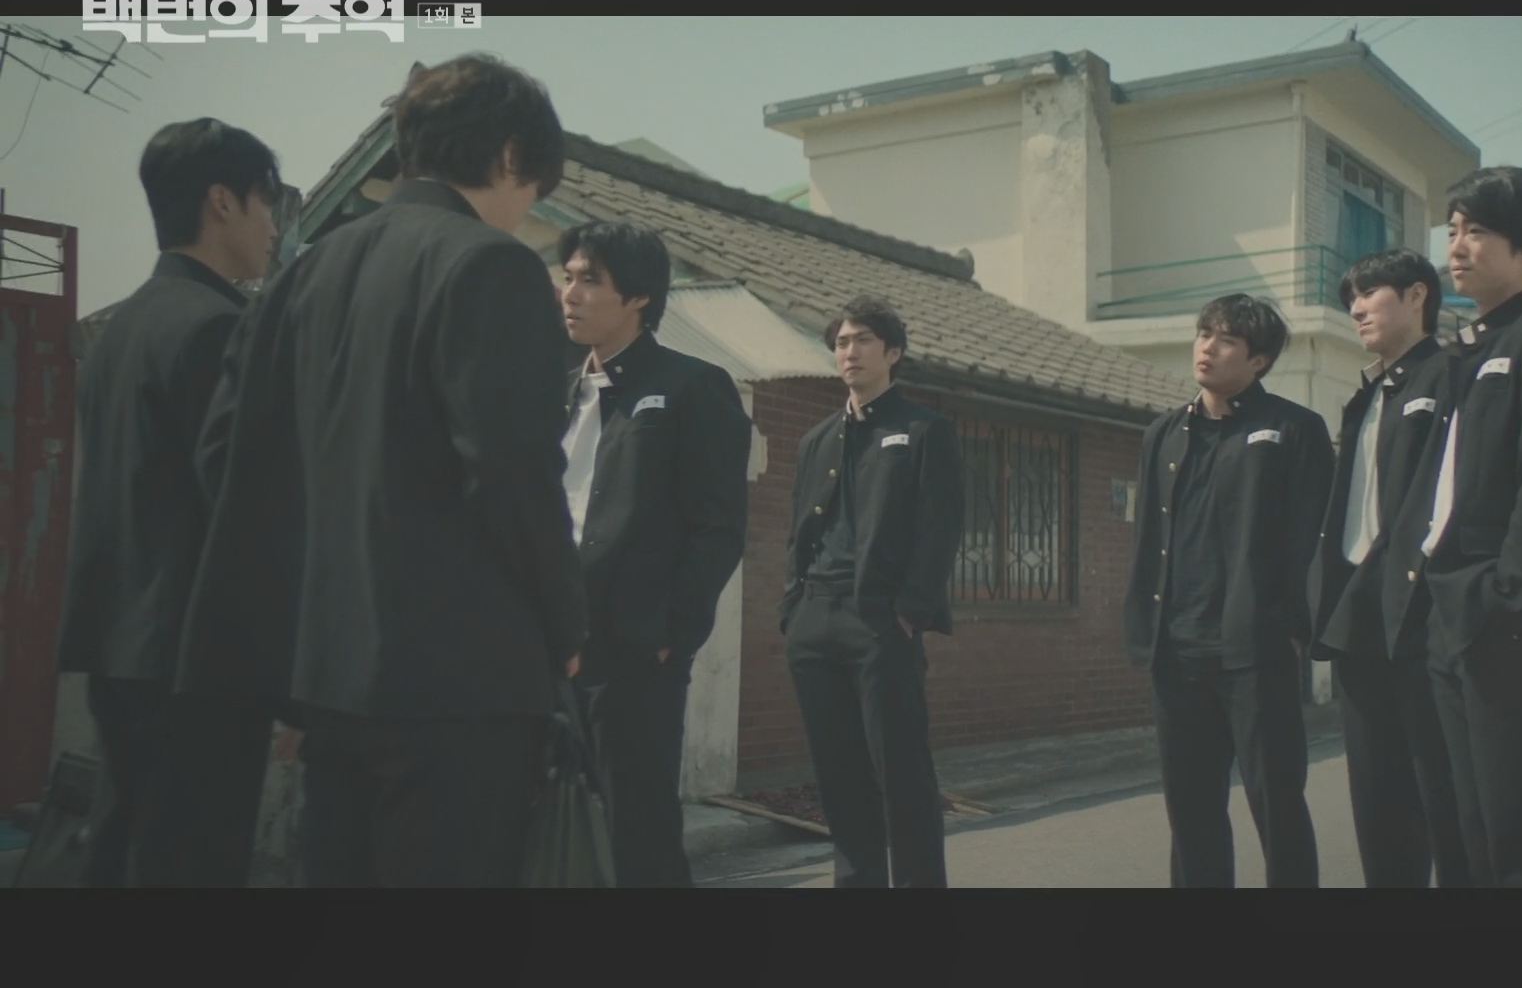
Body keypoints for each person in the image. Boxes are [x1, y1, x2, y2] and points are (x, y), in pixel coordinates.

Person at [177, 54, 588, 886]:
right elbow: (512, 474)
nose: (525, 210)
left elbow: (224, 456)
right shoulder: (490, 264)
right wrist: (567, 626)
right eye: (533, 189)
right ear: (511, 155)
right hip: (460, 685)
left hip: (326, 678)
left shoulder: (299, 277)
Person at [57, 118, 282, 886]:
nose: (273, 226)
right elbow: (241, 508)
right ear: (223, 202)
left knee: (125, 849)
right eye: (266, 201)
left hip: (119, 641)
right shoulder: (218, 327)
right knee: (190, 864)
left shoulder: (123, 326)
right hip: (198, 660)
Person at [1384, 165, 1522, 887]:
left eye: (1477, 231)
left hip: (1503, 621)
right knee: (1466, 834)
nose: (1457, 246)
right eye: (1452, 230)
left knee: (1521, 837)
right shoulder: (1464, 354)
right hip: (1447, 614)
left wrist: (1508, 600)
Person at [556, 220, 751, 887]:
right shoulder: (556, 388)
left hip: (632, 649)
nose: (571, 293)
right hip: (547, 643)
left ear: (638, 297)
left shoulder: (691, 386)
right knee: (550, 830)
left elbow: (718, 527)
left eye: (590, 280)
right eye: (568, 277)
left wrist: (672, 631)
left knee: (637, 832)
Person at [1121, 293, 1333, 887]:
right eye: (1203, 334)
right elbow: (1148, 537)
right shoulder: (1164, 434)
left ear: (1258, 360)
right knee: (1190, 812)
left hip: (1255, 650)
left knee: (1277, 803)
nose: (1207, 348)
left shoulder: (1294, 429)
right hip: (1177, 650)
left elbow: (1310, 538)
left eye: (1226, 340)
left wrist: (1295, 629)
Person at [780, 296, 963, 887]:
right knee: (839, 777)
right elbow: (798, 530)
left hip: (881, 623)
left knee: (902, 774)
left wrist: (910, 610)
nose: (849, 352)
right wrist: (793, 607)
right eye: (841, 342)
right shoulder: (816, 439)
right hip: (815, 620)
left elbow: (940, 529)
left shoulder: (923, 430)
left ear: (893, 352)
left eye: (862, 340)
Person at [1307, 249, 1468, 888]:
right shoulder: (1367, 394)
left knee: (1444, 796)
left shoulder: (1452, 376)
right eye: (1351, 299)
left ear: (1417, 296)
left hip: (1424, 621)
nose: (1356, 309)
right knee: (1377, 802)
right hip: (1359, 619)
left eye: (1369, 294)